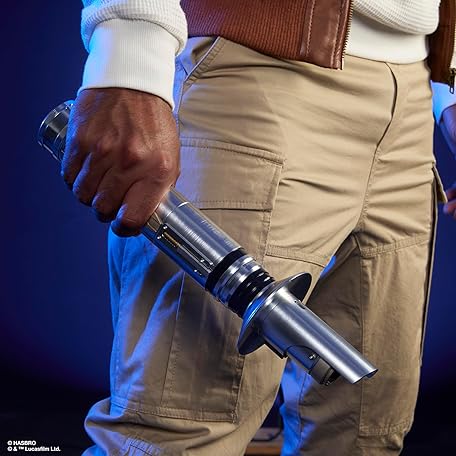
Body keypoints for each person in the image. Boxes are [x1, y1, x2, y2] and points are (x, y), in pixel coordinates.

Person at [64, 1, 456, 454]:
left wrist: (450, 88)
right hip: (255, 72)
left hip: (412, 100)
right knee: (179, 431)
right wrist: (127, 54)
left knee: (365, 433)